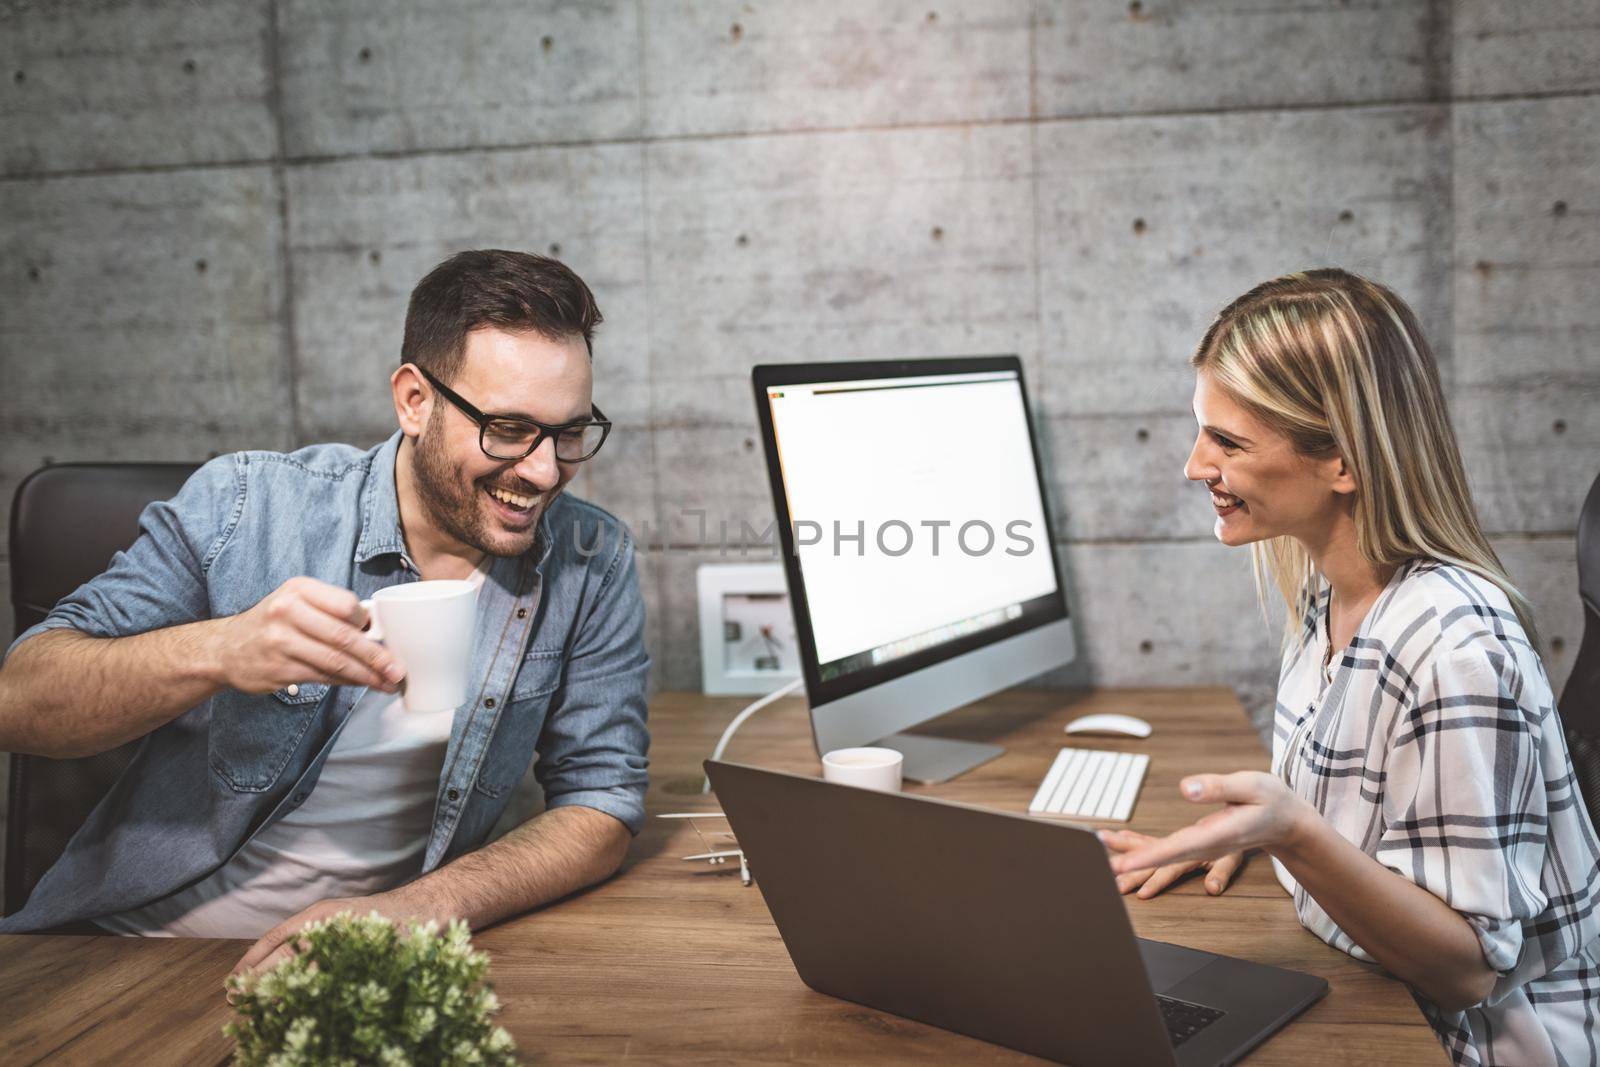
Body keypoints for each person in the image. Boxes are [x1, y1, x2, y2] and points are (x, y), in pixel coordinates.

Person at [0, 249, 649, 979]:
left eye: (568, 433)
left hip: (355, 968)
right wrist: (219, 650)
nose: (542, 470)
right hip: (136, 950)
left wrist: (419, 906)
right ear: (414, 400)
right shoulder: (247, 506)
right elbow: (19, 700)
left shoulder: (592, 559)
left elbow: (602, 799)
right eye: (507, 428)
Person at [1100, 269, 1600, 1065]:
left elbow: (1470, 968)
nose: (1195, 466)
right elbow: (1371, 824)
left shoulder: (1453, 650)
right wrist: (1269, 836)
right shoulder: (1330, 593)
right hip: (1370, 983)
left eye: (1228, 441)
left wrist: (1294, 835)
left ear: (1343, 460)